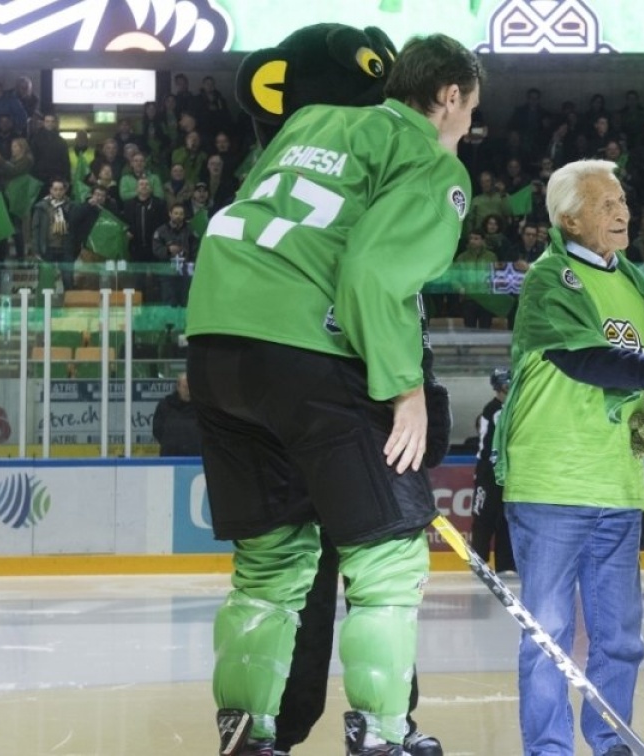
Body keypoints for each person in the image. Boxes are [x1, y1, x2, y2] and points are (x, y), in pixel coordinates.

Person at [185, 29, 483, 756]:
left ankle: (248, 731)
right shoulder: (432, 162)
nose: (470, 124)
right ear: (449, 97)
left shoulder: (312, 121)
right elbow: (372, 276)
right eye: (471, 109)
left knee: (271, 563)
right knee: (387, 559)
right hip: (309, 350)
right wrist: (405, 391)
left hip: (216, 343)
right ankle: (382, 735)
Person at [496, 159, 644, 756]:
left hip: (618, 485)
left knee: (619, 637)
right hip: (550, 484)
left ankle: (612, 741)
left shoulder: (636, 283)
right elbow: (585, 359)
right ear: (569, 220)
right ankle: (549, 749)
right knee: (548, 635)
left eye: (622, 201)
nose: (623, 213)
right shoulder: (549, 279)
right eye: (606, 204)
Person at [470, 367, 514, 572]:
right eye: (506, 384)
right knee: (483, 516)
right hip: (488, 471)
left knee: (505, 518)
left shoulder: (511, 407)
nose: (509, 388)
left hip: (506, 471)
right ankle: (479, 562)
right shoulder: (493, 410)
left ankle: (506, 564)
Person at [152, 373, 201, 456]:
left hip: (196, 457)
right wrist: (170, 442)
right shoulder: (165, 405)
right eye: (185, 387)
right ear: (178, 387)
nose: (188, 391)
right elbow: (157, 429)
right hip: (170, 456)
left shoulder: (202, 407)